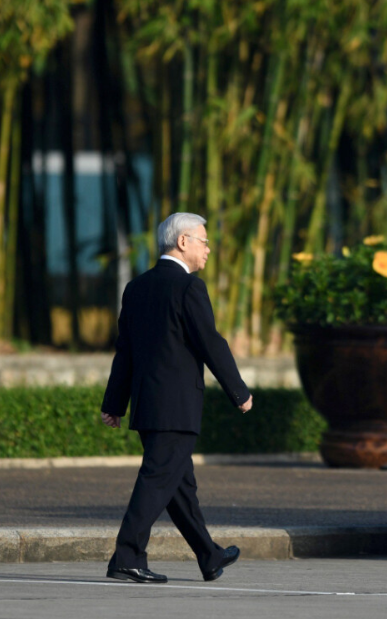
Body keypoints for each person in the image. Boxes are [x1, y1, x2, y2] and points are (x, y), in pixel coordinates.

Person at [101, 212, 254, 583]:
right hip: (177, 406)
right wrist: (239, 391)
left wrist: (114, 403)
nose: (208, 249)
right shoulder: (189, 288)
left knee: (179, 486)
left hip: (148, 404)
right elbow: (211, 344)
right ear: (182, 242)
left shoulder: (136, 287)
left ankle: (209, 554)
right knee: (157, 479)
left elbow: (126, 351)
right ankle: (126, 556)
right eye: (203, 241)